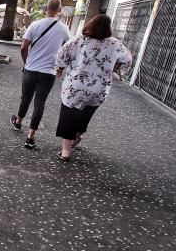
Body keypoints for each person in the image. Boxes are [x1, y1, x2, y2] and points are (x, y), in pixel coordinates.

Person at [54, 14, 132, 162]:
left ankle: (65, 151)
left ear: (90, 24)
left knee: (68, 116)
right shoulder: (115, 44)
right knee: (85, 115)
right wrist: (114, 68)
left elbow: (63, 53)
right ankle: (76, 137)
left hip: (76, 86)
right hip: (99, 87)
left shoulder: (80, 39)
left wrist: (61, 68)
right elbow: (128, 59)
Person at [10, 0, 70, 149]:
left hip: (30, 69)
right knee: (40, 103)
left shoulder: (35, 25)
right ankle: (30, 137)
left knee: (26, 98)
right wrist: (60, 67)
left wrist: (26, 62)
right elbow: (66, 50)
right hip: (48, 72)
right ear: (60, 10)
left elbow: (23, 47)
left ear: (45, 9)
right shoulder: (63, 29)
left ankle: (18, 123)